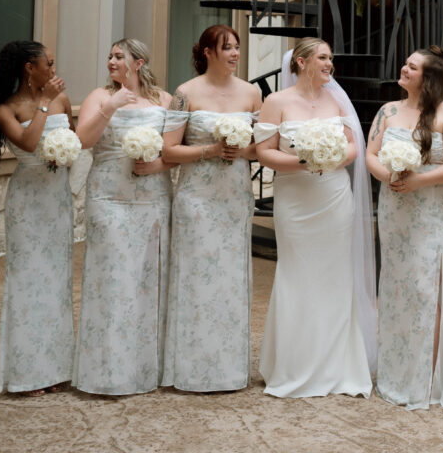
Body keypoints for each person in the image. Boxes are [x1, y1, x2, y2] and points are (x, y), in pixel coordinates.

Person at [254, 37, 375, 398]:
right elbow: (264, 153)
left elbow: (354, 148)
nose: (329, 64)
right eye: (323, 58)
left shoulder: (337, 101)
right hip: (295, 200)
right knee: (296, 273)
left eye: (330, 58)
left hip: (334, 198)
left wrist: (330, 159)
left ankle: (338, 367)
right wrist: (304, 162)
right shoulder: (276, 102)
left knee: (334, 277)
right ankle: (293, 364)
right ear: (302, 61)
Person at [366, 45, 443, 410]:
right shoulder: (388, 111)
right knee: (398, 285)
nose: (403, 69)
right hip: (396, 209)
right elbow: (370, 154)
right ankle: (396, 372)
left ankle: (427, 378)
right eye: (406, 64)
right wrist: (389, 175)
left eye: (411, 67)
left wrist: (418, 181)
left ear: (427, 78)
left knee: (430, 288)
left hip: (432, 211)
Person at [161, 25, 261, 391]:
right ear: (207, 52)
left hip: (234, 197)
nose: (235, 54)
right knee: (196, 276)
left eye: (236, 48)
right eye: (227, 48)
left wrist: (240, 150)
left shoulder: (252, 92)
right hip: (197, 198)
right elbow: (169, 150)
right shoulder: (185, 93)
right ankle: (188, 367)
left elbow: (259, 147)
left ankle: (229, 369)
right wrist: (211, 150)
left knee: (230, 279)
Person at [72, 38, 172, 396]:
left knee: (148, 279)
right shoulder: (99, 97)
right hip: (109, 198)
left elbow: (174, 147)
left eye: (119, 56)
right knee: (112, 280)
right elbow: (82, 140)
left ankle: (148, 370)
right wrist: (111, 106)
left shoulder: (164, 100)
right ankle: (108, 371)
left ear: (139, 62)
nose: (111, 61)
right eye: (110, 56)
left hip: (153, 198)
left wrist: (158, 162)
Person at [0, 40, 74, 396]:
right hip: (29, 203)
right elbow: (31, 143)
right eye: (47, 64)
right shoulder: (6, 109)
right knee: (29, 283)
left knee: (57, 283)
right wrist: (45, 104)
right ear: (28, 69)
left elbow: (73, 140)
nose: (53, 70)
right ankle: (27, 373)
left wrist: (68, 153)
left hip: (58, 198)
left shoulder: (63, 100)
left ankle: (55, 369)